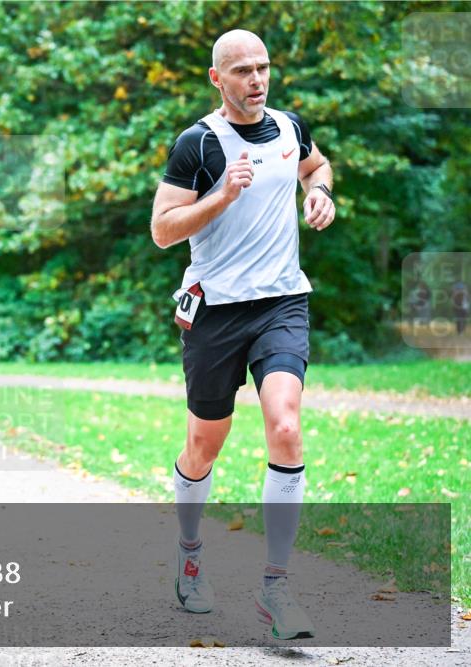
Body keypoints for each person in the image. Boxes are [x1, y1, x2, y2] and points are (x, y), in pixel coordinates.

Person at [150, 30, 335, 640]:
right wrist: (223, 194)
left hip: (281, 301)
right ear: (217, 79)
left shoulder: (289, 127)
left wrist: (319, 190)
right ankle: (190, 549)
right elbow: (163, 229)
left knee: (285, 423)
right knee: (205, 444)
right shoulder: (197, 144)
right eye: (242, 71)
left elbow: (317, 164)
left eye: (263, 68)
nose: (256, 80)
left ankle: (277, 587)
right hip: (216, 313)